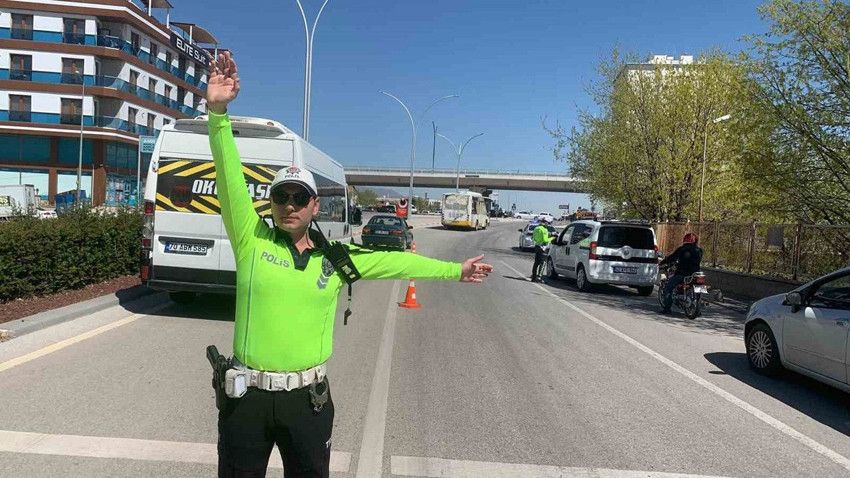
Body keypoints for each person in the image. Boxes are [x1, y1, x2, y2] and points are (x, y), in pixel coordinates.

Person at [205, 52, 493, 478]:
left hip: (307, 401)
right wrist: (218, 114)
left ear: (314, 205)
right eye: (281, 196)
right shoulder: (251, 239)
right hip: (247, 400)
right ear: (271, 202)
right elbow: (229, 176)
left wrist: (456, 271)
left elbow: (396, 262)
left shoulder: (336, 259)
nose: (289, 205)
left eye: (299, 198)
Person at [659, 232, 703, 313]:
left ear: (685, 239)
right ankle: (698, 309)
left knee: (668, 288)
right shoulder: (699, 250)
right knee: (699, 289)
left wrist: (662, 263)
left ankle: (667, 309)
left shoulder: (682, 249)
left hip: (682, 274)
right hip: (696, 274)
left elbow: (672, 258)